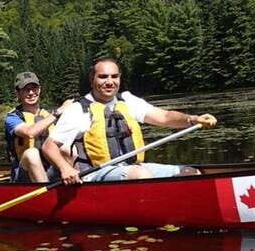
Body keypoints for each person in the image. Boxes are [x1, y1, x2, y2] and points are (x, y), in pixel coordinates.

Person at [42, 58, 217, 184]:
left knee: (191, 173)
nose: (110, 82)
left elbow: (164, 117)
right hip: (94, 174)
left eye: (114, 76)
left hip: (133, 167)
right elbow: (48, 146)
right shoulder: (78, 109)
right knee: (141, 175)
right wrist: (66, 169)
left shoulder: (127, 100)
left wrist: (192, 119)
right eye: (103, 77)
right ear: (92, 79)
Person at [4, 71, 74, 182]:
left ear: (39, 90)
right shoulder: (12, 118)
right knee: (32, 154)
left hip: (50, 168)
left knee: (69, 148)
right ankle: (46, 196)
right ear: (17, 93)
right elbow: (29, 132)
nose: (31, 93)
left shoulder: (48, 114)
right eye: (26, 89)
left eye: (34, 88)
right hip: (24, 174)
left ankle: (73, 184)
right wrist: (59, 111)